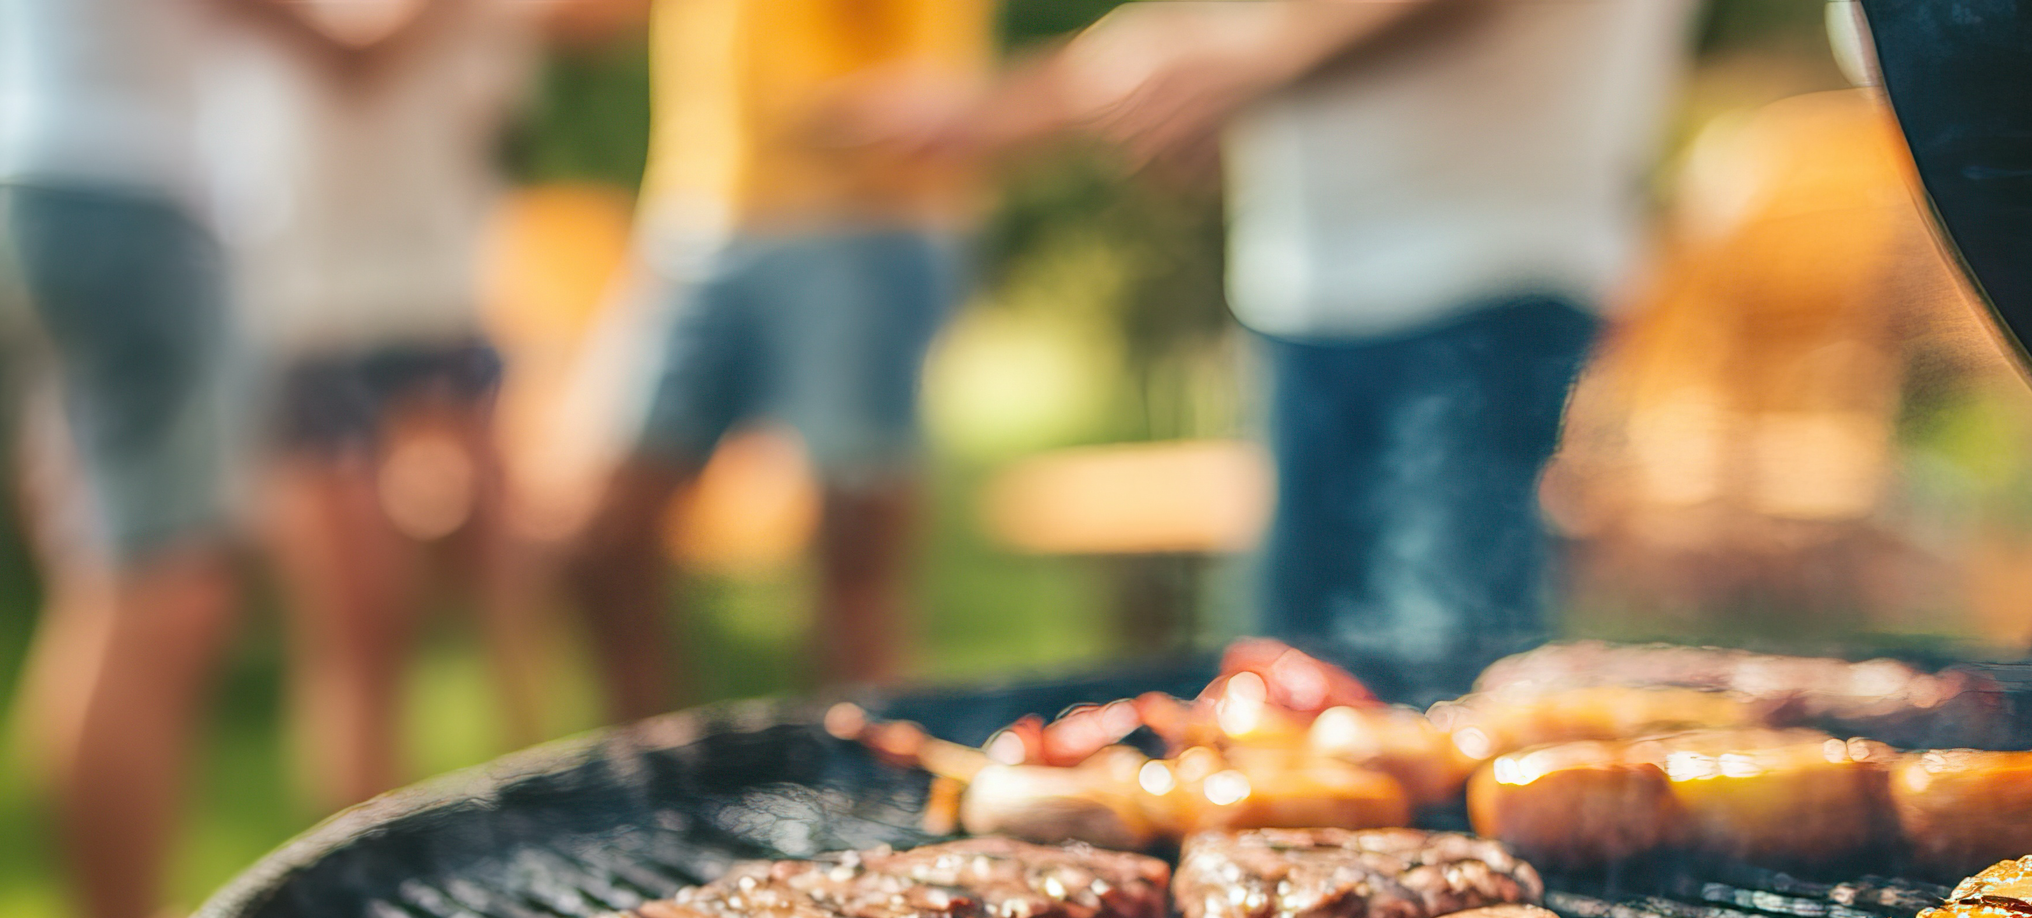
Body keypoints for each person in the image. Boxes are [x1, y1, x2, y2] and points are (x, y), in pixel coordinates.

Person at [0, 0, 389, 918]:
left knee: (115, 588)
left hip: (17, 173)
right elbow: (333, 45)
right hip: (124, 195)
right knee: (150, 602)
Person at [1038, 0, 1692, 675]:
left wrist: (1259, 60)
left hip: (1492, 269)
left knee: (1449, 672)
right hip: (1309, 288)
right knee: (1295, 681)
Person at [556, 0, 999, 721]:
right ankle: (657, 778)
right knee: (598, 532)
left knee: (853, 574)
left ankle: (873, 787)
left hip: (865, 213)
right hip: (700, 205)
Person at [206, 0, 545, 812]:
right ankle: (357, 844)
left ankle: (544, 826)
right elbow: (354, 57)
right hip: (307, 310)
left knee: (510, 605)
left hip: (448, 298)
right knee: (357, 626)